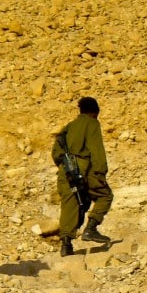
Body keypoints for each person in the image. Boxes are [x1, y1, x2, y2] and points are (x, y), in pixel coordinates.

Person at [52, 96, 113, 254]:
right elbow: (97, 151)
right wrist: (101, 173)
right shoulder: (92, 123)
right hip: (84, 170)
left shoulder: (68, 127)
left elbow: (55, 153)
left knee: (70, 204)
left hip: (65, 171)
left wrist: (66, 164)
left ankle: (66, 244)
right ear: (95, 112)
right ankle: (91, 228)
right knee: (105, 196)